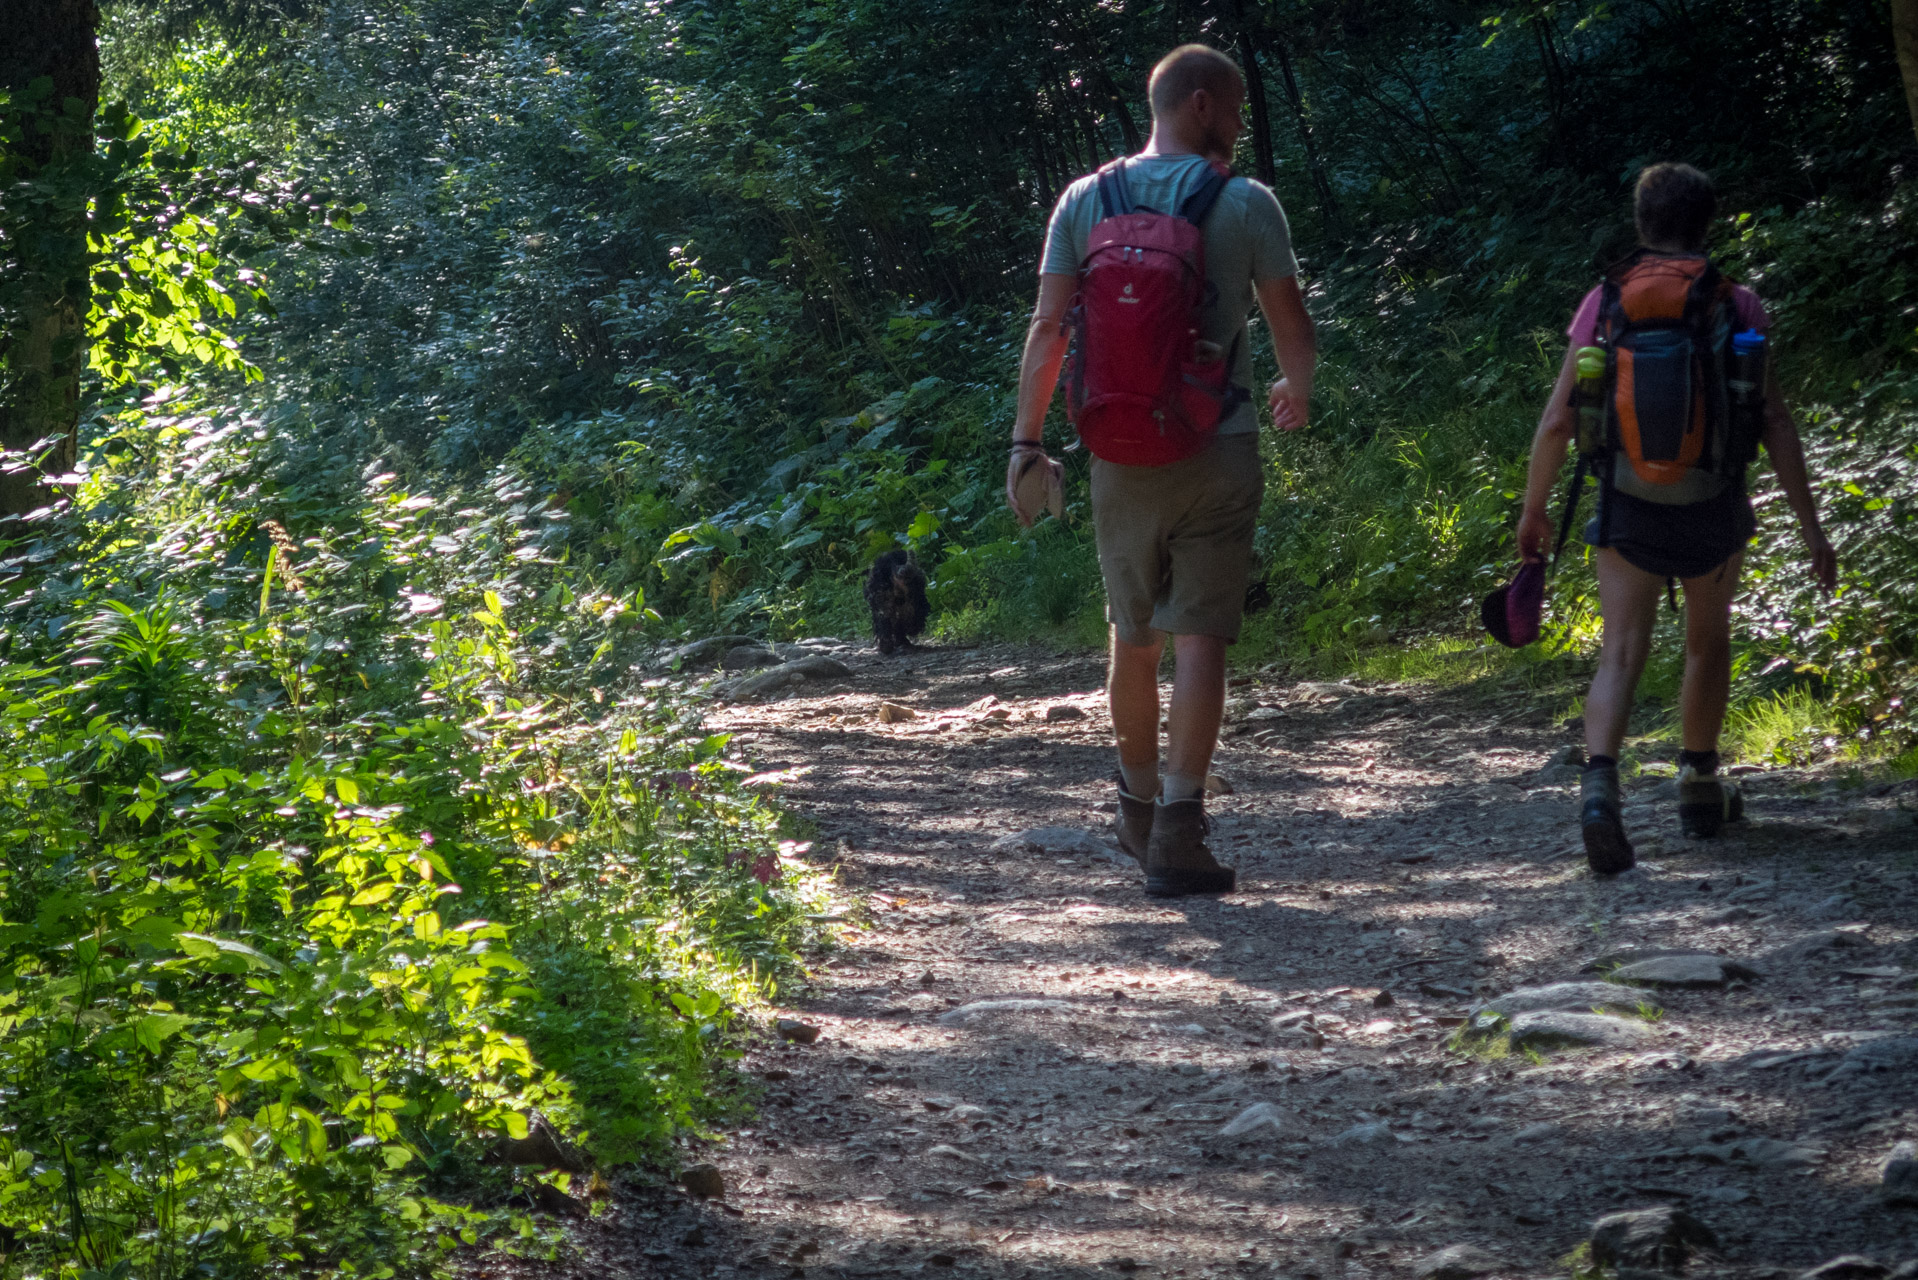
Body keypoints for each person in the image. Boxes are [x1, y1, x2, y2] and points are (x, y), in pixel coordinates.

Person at [1005, 44, 1317, 897]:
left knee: (1132, 635)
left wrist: (1026, 443)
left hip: (1117, 451)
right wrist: (1299, 386)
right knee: (1201, 636)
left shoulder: (1083, 199)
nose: (1243, 126)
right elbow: (1290, 317)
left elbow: (1049, 331)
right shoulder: (1247, 203)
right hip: (1218, 441)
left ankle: (1135, 809)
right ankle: (1183, 824)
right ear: (1205, 104)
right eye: (1240, 108)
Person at [1515, 162, 1837, 875]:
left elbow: (1559, 420)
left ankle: (1600, 791)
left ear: (1641, 223)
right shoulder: (1737, 303)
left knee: (1621, 651)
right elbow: (1776, 421)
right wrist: (1813, 531)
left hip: (1627, 499)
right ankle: (1698, 783)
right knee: (1706, 639)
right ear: (1707, 223)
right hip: (1712, 500)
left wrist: (1534, 511)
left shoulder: (1604, 302)